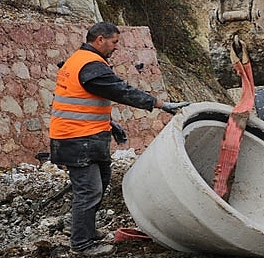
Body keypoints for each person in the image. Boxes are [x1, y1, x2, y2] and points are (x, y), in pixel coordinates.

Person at [49, 22, 190, 256]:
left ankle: (87, 232)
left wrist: (110, 123)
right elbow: (121, 91)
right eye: (114, 42)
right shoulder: (91, 66)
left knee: (100, 183)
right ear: (100, 39)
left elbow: (82, 98)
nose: (116, 47)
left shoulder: (80, 60)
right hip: (76, 139)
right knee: (89, 191)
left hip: (86, 136)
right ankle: (82, 245)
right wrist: (161, 104)